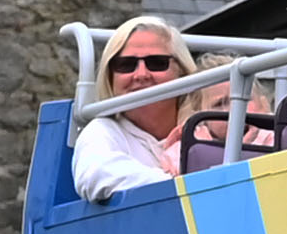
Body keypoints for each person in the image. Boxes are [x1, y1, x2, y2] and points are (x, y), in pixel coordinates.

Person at [73, 19, 200, 200]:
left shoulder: (205, 126)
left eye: (157, 63)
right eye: (126, 65)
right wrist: (178, 186)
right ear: (110, 77)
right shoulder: (102, 131)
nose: (141, 75)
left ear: (182, 71)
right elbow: (95, 174)